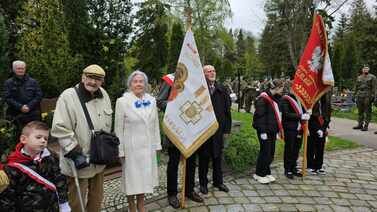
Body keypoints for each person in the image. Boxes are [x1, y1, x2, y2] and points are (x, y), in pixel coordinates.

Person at [51, 64, 112, 212]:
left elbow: (107, 123)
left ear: (102, 81)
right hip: (79, 159)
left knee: (97, 197)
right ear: (83, 77)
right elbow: (60, 128)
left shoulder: (103, 94)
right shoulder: (68, 96)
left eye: (98, 79)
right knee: (76, 199)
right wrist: (75, 153)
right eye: (90, 77)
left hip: (99, 158)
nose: (93, 82)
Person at [114, 70, 161, 212]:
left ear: (145, 84)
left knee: (144, 178)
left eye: (141, 81)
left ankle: (141, 205)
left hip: (147, 148)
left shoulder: (151, 100)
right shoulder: (122, 102)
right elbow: (118, 129)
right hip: (130, 149)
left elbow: (156, 125)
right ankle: (132, 207)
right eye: (135, 81)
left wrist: (157, 144)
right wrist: (120, 150)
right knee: (131, 179)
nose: (138, 84)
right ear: (130, 84)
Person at [157, 71, 203, 209]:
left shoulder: (195, 81)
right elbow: (160, 101)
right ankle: (171, 194)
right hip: (176, 128)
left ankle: (188, 191)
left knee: (191, 161)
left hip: (191, 129)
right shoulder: (171, 80)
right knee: (174, 163)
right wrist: (177, 106)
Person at [0, 121, 70, 212]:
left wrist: (64, 203)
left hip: (52, 208)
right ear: (23, 139)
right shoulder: (12, 167)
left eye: (46, 138)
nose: (43, 140)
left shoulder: (50, 158)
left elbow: (60, 180)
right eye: (38, 137)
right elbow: (8, 197)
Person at [198, 65, 232, 194]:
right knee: (204, 157)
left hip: (218, 129)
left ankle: (219, 182)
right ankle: (203, 184)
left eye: (213, 70)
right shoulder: (200, 89)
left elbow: (227, 111)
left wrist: (227, 130)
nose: (212, 73)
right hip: (204, 130)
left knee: (218, 157)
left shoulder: (222, 89)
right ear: (203, 74)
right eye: (209, 71)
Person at [252, 79, 285, 184]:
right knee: (264, 152)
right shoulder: (263, 99)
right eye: (282, 88)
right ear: (276, 88)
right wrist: (262, 132)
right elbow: (259, 117)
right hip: (264, 131)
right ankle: (259, 174)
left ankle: (266, 171)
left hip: (271, 130)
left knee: (270, 152)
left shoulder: (275, 98)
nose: (283, 90)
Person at [280, 83, 309, 179]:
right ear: (290, 89)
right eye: (295, 88)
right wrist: (300, 116)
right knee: (289, 149)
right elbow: (286, 114)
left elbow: (303, 111)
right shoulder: (285, 99)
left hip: (299, 128)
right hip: (290, 128)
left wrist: (307, 113)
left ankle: (293, 168)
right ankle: (287, 169)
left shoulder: (300, 99)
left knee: (296, 149)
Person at [3, 60, 43, 128]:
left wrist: (29, 106)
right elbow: (7, 97)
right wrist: (20, 107)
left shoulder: (33, 82)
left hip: (33, 114)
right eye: (18, 68)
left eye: (22, 68)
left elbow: (39, 95)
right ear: (13, 69)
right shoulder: (8, 83)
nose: (21, 70)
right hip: (15, 114)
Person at [307, 91, 332, 175]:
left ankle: (318, 166)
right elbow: (310, 117)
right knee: (311, 147)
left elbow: (328, 117)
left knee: (320, 147)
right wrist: (317, 129)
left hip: (322, 127)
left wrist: (323, 129)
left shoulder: (326, 103)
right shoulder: (311, 102)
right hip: (312, 127)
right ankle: (310, 166)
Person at [353, 66, 376, 131]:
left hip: (367, 96)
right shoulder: (359, 77)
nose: (365, 69)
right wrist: (354, 95)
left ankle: (366, 125)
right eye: (364, 68)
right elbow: (356, 87)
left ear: (369, 69)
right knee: (360, 111)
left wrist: (373, 96)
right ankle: (360, 124)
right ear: (362, 70)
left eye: (367, 68)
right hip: (359, 95)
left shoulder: (372, 77)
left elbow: (374, 88)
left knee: (367, 111)